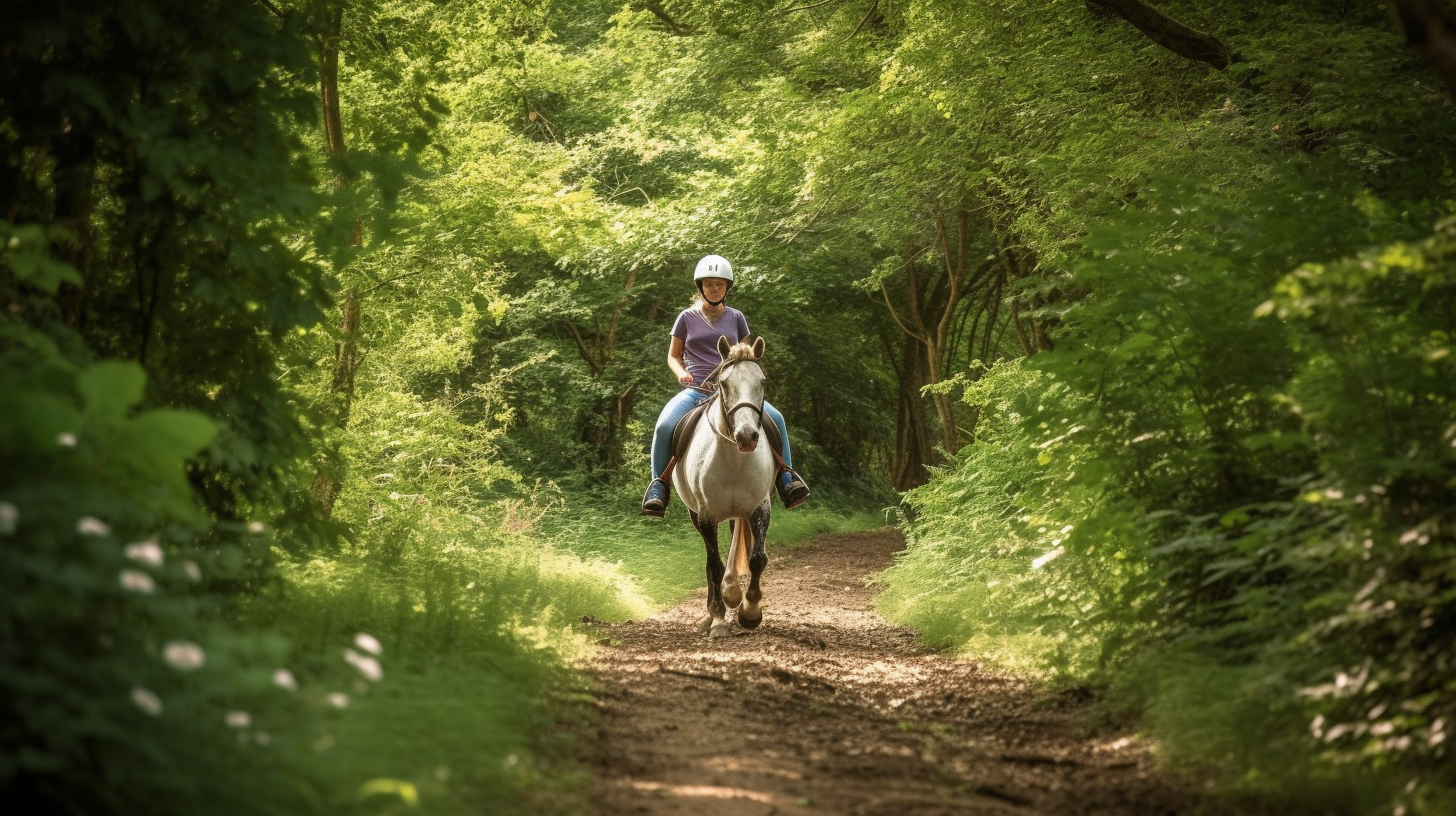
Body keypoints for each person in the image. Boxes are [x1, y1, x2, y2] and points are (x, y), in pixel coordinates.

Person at [641, 254, 810, 516]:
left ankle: (787, 477)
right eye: (708, 284)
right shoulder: (686, 318)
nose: (714, 289)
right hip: (697, 390)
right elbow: (673, 355)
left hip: (732, 391)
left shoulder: (737, 318)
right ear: (700, 287)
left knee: (777, 419)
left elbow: (745, 354)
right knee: (664, 425)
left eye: (719, 284)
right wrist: (681, 373)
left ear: (727, 288)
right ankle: (658, 486)